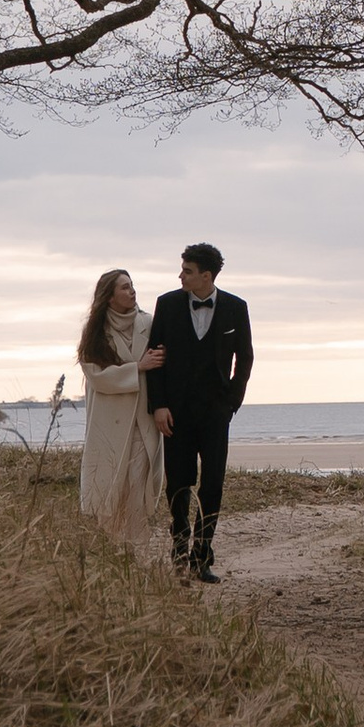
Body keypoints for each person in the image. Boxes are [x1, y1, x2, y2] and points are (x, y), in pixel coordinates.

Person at [144, 239, 252, 581]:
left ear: (206, 276)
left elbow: (245, 358)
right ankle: (179, 551)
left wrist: (232, 401)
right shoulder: (168, 304)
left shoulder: (236, 307)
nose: (180, 276)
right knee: (178, 484)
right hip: (175, 412)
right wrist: (158, 405)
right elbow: (156, 359)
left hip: (216, 412)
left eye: (187, 271)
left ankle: (202, 556)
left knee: (213, 485)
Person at [76, 268, 167, 560]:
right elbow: (96, 376)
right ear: (110, 296)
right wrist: (137, 368)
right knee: (110, 481)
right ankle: (112, 547)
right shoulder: (95, 332)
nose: (132, 292)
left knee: (138, 481)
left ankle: (137, 549)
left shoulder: (149, 323)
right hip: (108, 421)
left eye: (132, 286)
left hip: (141, 419)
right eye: (125, 288)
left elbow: (164, 364)